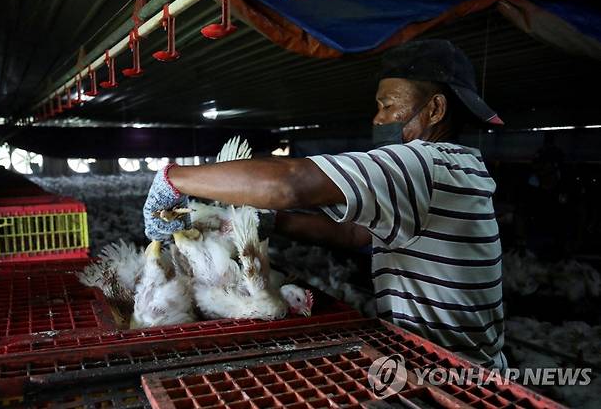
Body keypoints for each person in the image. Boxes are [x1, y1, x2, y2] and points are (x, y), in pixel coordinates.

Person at [143, 39, 507, 369]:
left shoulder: (421, 164)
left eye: (388, 105)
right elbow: (356, 234)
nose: (377, 118)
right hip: (460, 363)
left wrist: (173, 179)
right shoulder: (457, 165)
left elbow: (288, 182)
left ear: (435, 109)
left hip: (449, 372)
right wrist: (272, 222)